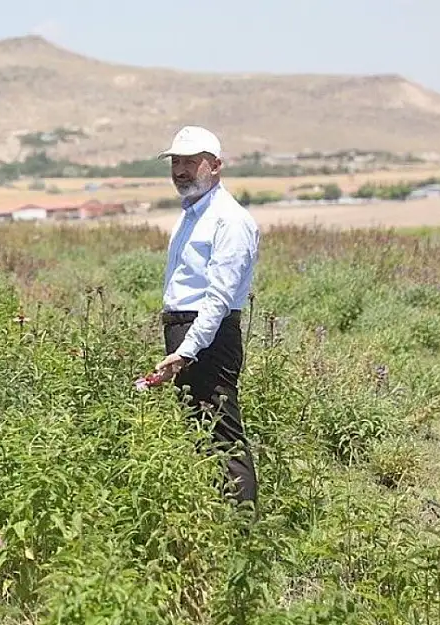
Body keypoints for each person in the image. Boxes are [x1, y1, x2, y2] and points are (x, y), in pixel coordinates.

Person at [151, 125, 260, 512]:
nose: (180, 170)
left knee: (223, 436)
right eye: (176, 162)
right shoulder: (193, 215)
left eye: (190, 162)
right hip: (189, 330)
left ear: (215, 166)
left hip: (207, 335)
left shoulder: (229, 220)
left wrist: (187, 350)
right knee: (199, 434)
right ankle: (217, 519)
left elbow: (218, 298)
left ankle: (244, 533)